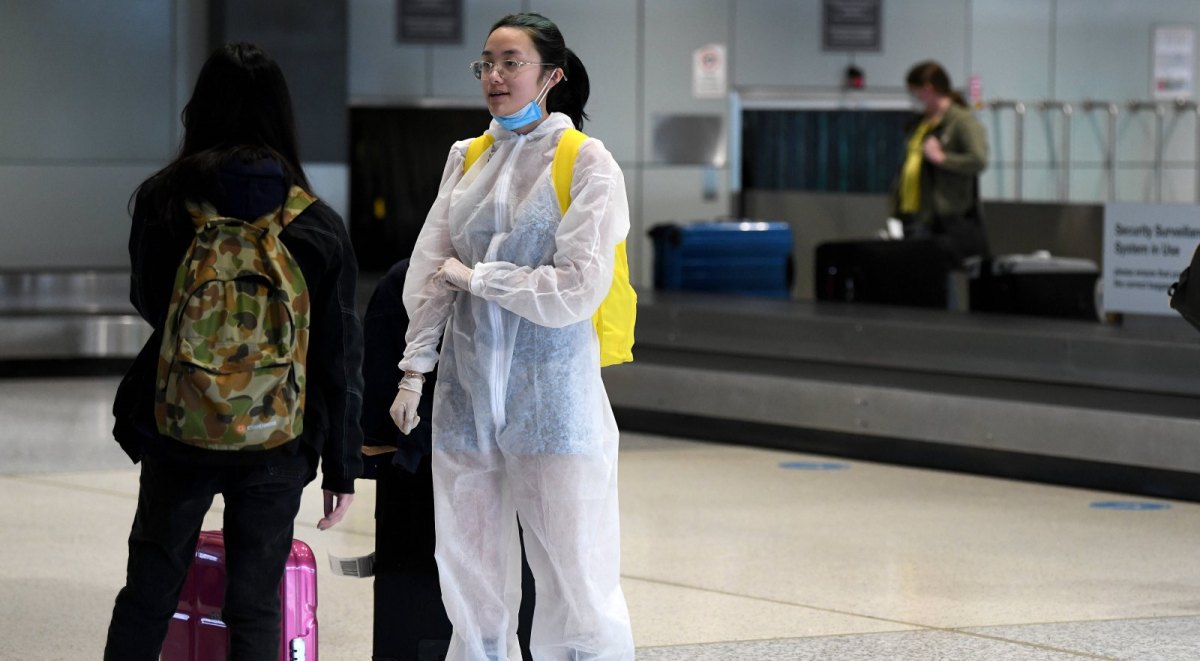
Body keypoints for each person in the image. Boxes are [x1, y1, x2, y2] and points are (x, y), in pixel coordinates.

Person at [389, 11, 635, 660]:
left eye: (511, 63)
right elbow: (430, 271)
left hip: (553, 400)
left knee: (576, 579)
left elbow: (576, 287)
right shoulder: (466, 158)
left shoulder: (588, 162)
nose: (495, 77)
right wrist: (415, 367)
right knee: (468, 574)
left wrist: (481, 277)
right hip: (467, 402)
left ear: (550, 75)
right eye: (486, 64)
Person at [105, 42, 363, 660]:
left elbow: (149, 303)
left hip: (179, 428)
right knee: (255, 604)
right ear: (282, 115)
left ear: (200, 110)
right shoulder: (315, 222)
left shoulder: (165, 201)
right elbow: (337, 351)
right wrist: (342, 463)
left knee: (148, 592)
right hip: (280, 436)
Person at [893, 60, 990, 264]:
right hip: (913, 215)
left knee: (942, 283)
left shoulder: (961, 122)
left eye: (915, 92)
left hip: (944, 219)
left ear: (928, 89)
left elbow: (979, 160)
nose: (914, 98)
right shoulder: (920, 123)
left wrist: (942, 158)